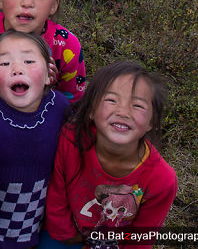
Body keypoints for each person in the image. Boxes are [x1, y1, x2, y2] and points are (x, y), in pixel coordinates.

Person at [41, 61, 177, 249]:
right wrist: (67, 235)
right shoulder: (71, 138)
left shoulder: (162, 179)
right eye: (111, 100)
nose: (123, 112)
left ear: (151, 122)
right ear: (90, 111)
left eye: (137, 105)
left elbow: (142, 239)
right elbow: (57, 193)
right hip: (66, 234)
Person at [0, 31, 72, 249]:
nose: (17, 68)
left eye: (29, 61)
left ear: (48, 75)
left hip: (38, 226)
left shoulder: (60, 108)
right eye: (4, 63)